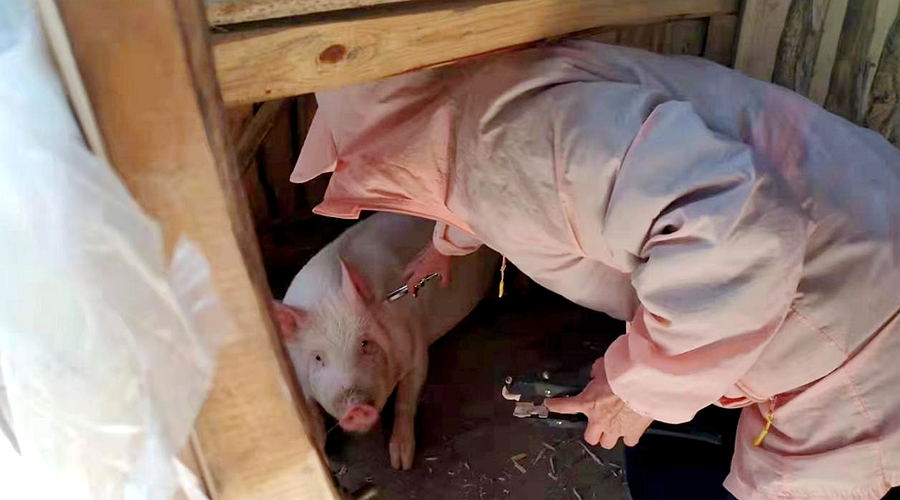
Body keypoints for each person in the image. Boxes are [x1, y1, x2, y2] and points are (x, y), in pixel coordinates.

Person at [290, 41, 900, 500]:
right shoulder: (488, 102)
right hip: (860, 236)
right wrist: (447, 243)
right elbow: (535, 188)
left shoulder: (499, 144)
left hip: (853, 334)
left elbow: (739, 234)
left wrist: (642, 388)